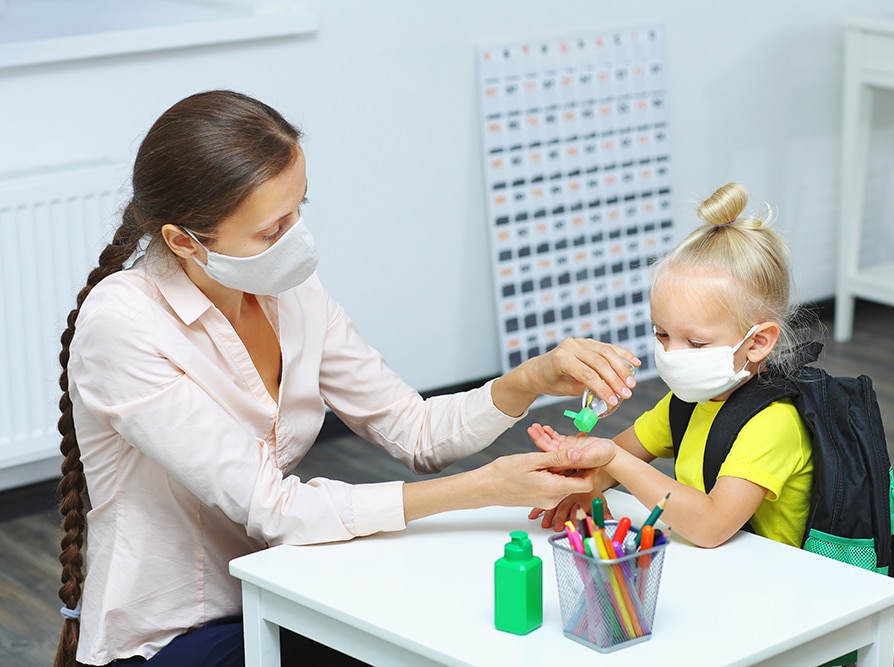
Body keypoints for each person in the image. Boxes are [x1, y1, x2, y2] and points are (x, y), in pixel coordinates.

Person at [53, 90, 639, 667]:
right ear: (185, 241)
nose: (297, 241)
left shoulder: (289, 290)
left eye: (299, 209)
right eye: (271, 230)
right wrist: (485, 488)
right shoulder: (124, 324)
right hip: (175, 631)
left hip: (283, 583)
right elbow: (274, 507)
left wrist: (532, 377)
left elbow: (414, 431)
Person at [526, 182, 815, 550]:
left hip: (773, 587)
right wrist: (577, 475)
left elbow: (711, 526)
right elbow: (610, 466)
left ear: (758, 342)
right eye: (662, 334)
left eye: (695, 343)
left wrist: (610, 458)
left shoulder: (774, 425)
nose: (672, 354)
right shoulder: (687, 403)